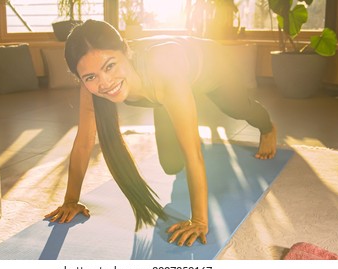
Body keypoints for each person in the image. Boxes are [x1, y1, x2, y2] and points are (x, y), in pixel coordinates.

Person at [45, 19, 277, 247]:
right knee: (171, 165)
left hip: (210, 67)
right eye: (90, 77)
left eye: (110, 66)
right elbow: (84, 141)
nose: (104, 82)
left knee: (237, 108)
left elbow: (193, 151)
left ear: (126, 51)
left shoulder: (162, 68)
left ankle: (267, 127)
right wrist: (71, 201)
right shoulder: (91, 86)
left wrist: (199, 220)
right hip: (166, 92)